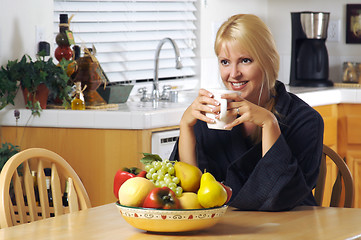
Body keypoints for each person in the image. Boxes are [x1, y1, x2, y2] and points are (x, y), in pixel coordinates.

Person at [169, 14, 324, 211]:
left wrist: (269, 124)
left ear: (268, 60)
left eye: (245, 60)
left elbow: (279, 198)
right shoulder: (210, 117)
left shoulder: (306, 121)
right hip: (225, 230)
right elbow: (189, 193)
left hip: (290, 228)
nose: (233, 74)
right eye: (225, 62)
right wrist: (185, 126)